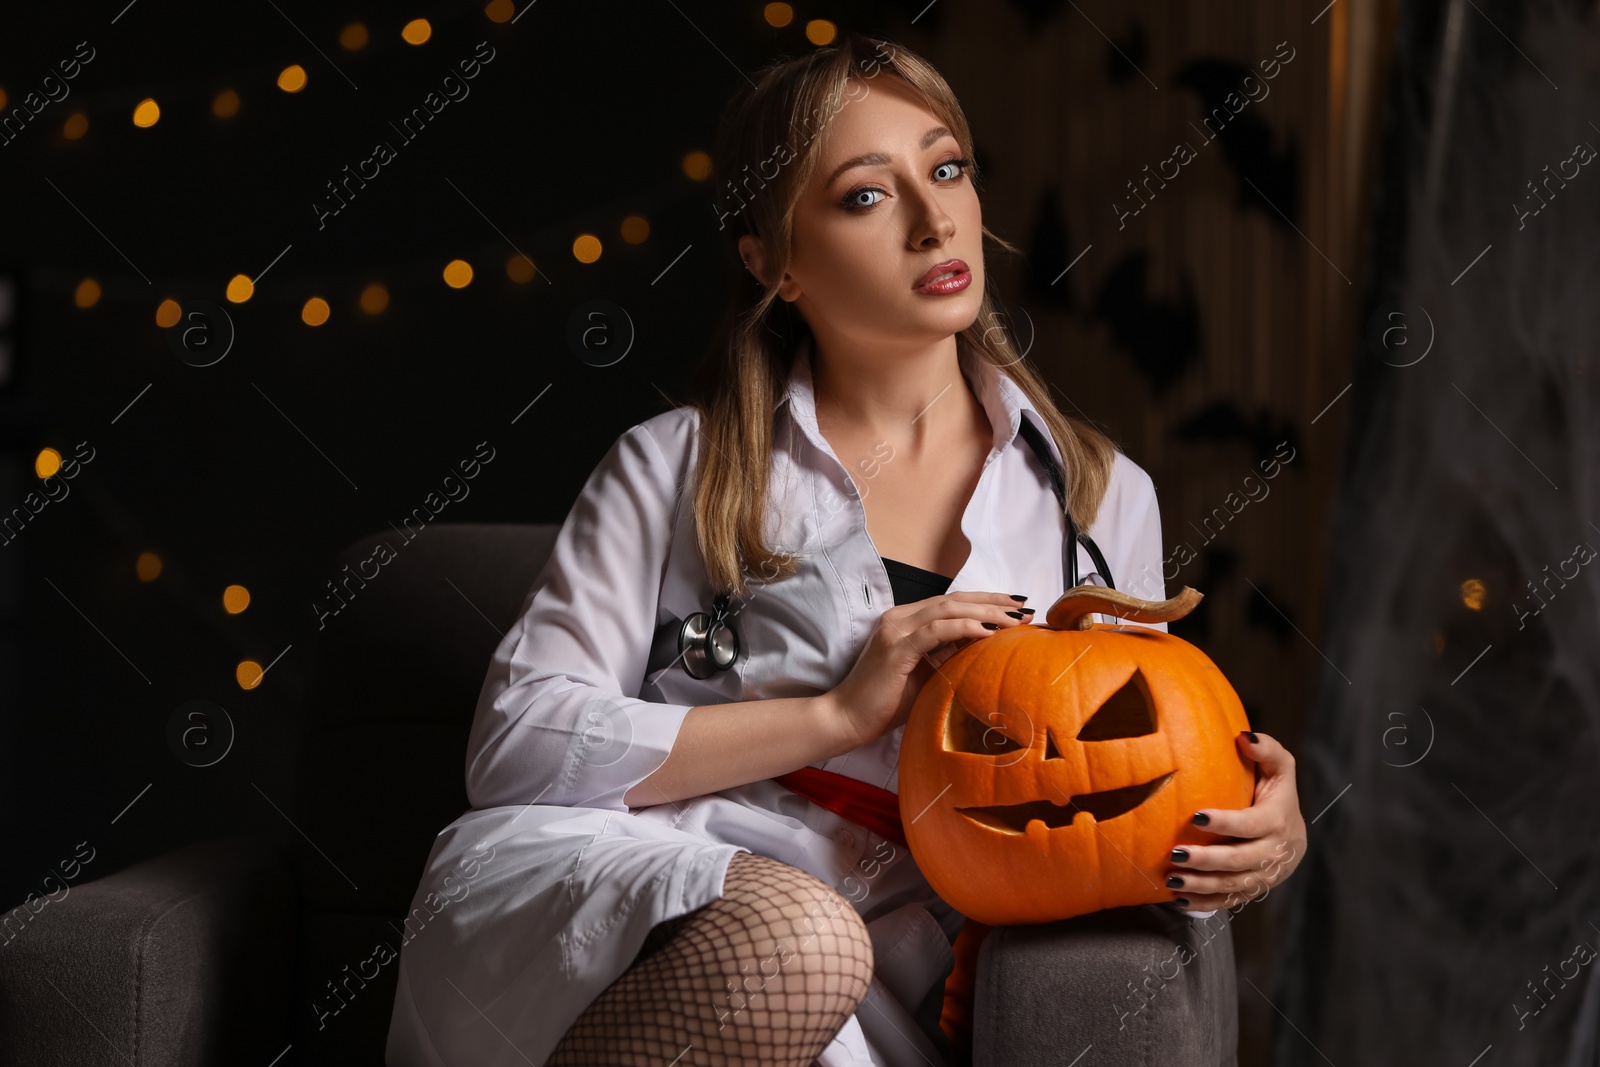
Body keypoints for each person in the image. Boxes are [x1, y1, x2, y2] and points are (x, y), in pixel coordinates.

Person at [385, 32, 1307, 1067]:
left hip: (886, 958)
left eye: (945, 167)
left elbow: (1124, 768)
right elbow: (516, 742)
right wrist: (835, 714)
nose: (933, 219)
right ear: (771, 259)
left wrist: (1257, 832)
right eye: (866, 195)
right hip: (639, 900)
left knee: (823, 951)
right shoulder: (674, 465)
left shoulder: (1095, 500)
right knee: (803, 942)